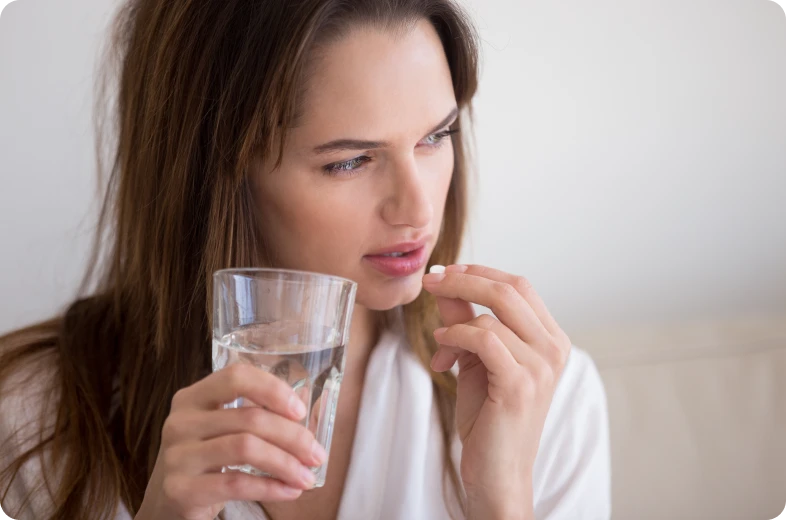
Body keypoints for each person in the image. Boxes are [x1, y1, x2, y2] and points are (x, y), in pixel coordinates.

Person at [0, 0, 611, 519]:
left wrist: (501, 502)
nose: (418, 208)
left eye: (435, 136)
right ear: (217, 174)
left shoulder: (539, 399)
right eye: (349, 161)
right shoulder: (35, 420)